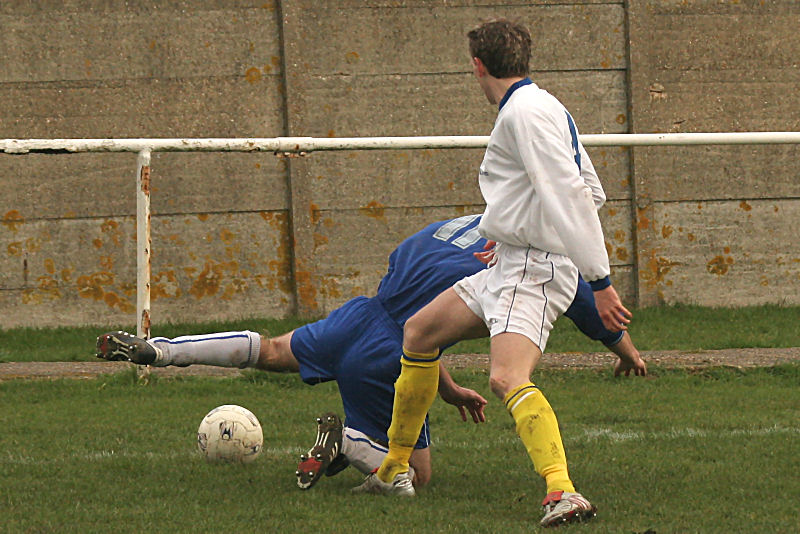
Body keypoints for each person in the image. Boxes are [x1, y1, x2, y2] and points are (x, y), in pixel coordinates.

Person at [96, 215, 645, 493]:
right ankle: (350, 441)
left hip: (360, 315)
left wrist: (449, 388)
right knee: (416, 480)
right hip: (389, 358)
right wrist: (629, 352)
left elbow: (417, 314)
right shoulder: (534, 260)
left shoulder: (451, 227)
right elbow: (592, 309)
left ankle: (164, 351)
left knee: (271, 350)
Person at [356, 19, 646, 529]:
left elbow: (572, 195)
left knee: (506, 377)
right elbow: (591, 188)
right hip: (512, 259)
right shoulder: (541, 104)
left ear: (477, 65)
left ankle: (563, 492)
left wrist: (599, 283)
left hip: (531, 270)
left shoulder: (525, 115)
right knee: (419, 332)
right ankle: (392, 470)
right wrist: (513, 229)